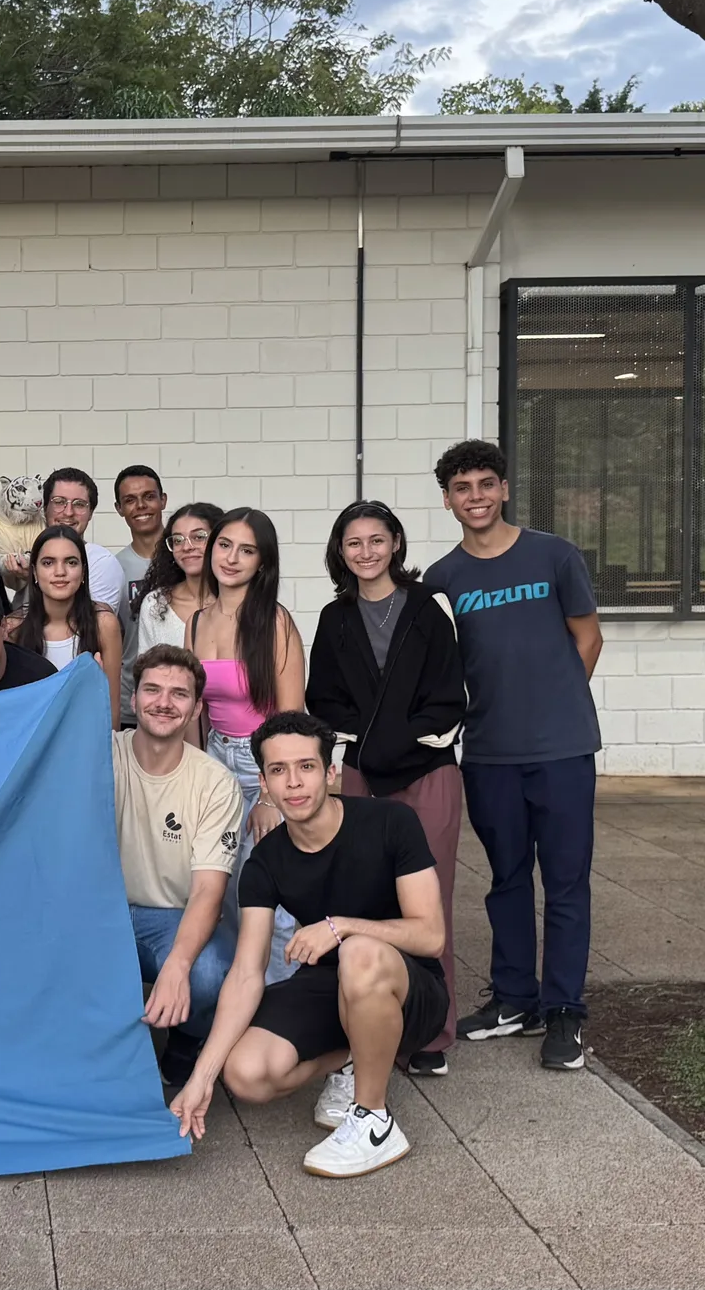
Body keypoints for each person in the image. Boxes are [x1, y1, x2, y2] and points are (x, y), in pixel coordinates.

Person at [169, 713, 448, 1180]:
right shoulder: (265, 862)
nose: (294, 783)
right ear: (263, 782)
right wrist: (202, 1077)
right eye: (278, 770)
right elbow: (246, 973)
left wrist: (340, 928)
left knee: (359, 952)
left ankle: (374, 1121)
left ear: (330, 772)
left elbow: (431, 936)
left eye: (306, 767)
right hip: (330, 985)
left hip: (408, 988)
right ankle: (356, 1056)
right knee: (247, 1073)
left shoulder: (391, 822)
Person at [424, 439, 603, 1071]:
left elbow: (588, 637)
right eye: (462, 488)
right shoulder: (442, 579)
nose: (475, 497)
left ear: (503, 489)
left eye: (485, 484)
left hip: (562, 749)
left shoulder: (554, 555)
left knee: (566, 881)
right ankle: (515, 999)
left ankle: (564, 1011)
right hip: (488, 753)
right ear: (447, 501)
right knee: (505, 880)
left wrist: (552, 707)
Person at [307, 500, 468, 1076]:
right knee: (364, 899)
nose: (366, 552)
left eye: (377, 540)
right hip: (361, 776)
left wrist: (398, 742)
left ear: (396, 543)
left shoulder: (429, 606)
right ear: (340, 550)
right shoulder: (335, 617)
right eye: (354, 543)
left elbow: (449, 695)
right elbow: (323, 698)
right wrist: (368, 746)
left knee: (429, 902)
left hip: (428, 773)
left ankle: (432, 1034)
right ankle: (368, 1024)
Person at [115, 645, 243, 1089]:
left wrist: (177, 966)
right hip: (103, 913)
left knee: (209, 972)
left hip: (173, 916)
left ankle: (187, 1038)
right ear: (133, 699)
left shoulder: (215, 783)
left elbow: (209, 892)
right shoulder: (100, 756)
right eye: (152, 690)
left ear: (197, 709)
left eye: (179, 694)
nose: (164, 702)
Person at [188, 507, 307, 977]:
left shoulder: (275, 622)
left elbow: (292, 720)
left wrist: (269, 795)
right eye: (224, 545)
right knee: (222, 886)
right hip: (214, 758)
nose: (231, 558)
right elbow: (195, 712)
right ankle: (241, 993)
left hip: (265, 761)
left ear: (263, 562)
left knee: (270, 894)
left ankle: (283, 1000)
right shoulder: (197, 621)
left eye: (247, 550)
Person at [5, 524, 123, 724]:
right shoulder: (14, 628)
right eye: (48, 563)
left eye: (71, 562)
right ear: (34, 573)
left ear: (83, 572)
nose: (60, 572)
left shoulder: (104, 624)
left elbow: (112, 710)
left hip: (87, 737)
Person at [3, 468, 125, 610]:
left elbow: (95, 621)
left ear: (90, 512)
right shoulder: (29, 556)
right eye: (59, 502)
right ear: (44, 508)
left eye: (79, 504)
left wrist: (35, 580)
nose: (68, 512)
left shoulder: (101, 562)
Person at [113, 465, 169, 727]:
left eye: (149, 496)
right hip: (132, 702)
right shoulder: (114, 568)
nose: (141, 506)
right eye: (130, 500)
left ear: (163, 500)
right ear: (119, 509)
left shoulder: (187, 560)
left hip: (186, 699)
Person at [133, 503, 224, 663]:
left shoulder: (238, 602)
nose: (186, 547)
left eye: (198, 537)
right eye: (177, 540)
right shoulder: (155, 603)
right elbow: (145, 670)